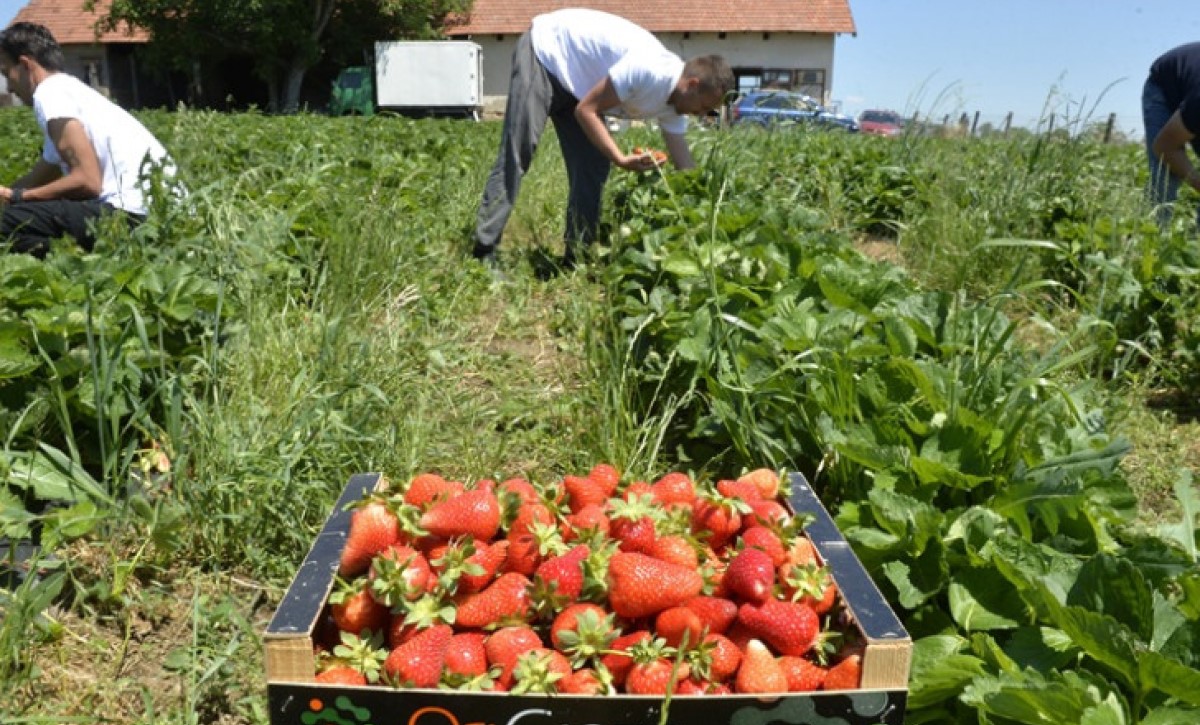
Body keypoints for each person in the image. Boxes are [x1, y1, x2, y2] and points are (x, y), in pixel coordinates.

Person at [471, 8, 735, 271]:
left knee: (593, 165)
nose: (702, 115)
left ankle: (577, 256)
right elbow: (586, 111)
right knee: (520, 149)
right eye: (703, 106)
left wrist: (706, 218)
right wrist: (620, 158)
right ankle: (484, 250)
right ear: (691, 84)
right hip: (547, 54)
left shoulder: (676, 105)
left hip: (580, 86)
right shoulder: (649, 70)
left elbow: (684, 165)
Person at [0, 22, 179, 257]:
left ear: (25, 66)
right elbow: (40, 175)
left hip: (133, 215)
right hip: (164, 214)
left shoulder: (50, 94)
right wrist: (10, 195)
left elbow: (87, 181)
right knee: (19, 215)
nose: (10, 89)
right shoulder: (68, 91)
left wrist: (17, 197)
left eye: (7, 74)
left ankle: (72, 272)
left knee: (8, 224)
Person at [1144, 41, 1200, 227]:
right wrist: (1196, 181)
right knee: (1166, 173)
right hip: (1166, 83)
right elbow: (1165, 147)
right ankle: (1154, 239)